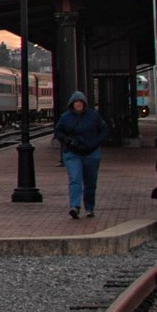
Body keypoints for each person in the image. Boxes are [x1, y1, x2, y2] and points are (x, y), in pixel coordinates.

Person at [56, 90, 107, 219]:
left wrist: (96, 142)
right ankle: (75, 206)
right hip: (73, 153)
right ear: (71, 104)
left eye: (80, 102)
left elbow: (104, 130)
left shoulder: (94, 116)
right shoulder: (65, 117)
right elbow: (58, 132)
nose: (78, 104)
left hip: (91, 153)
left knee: (90, 182)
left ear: (84, 103)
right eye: (76, 102)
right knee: (75, 179)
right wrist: (67, 140)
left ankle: (89, 208)